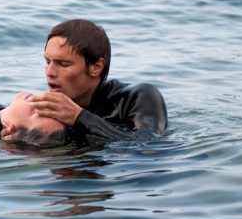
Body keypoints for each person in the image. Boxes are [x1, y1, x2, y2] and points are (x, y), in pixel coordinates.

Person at [30, 19, 168, 141]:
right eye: (48, 62)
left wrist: (79, 117)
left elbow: (149, 146)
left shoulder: (139, 96)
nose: (49, 72)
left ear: (96, 67)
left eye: (63, 64)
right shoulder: (56, 110)